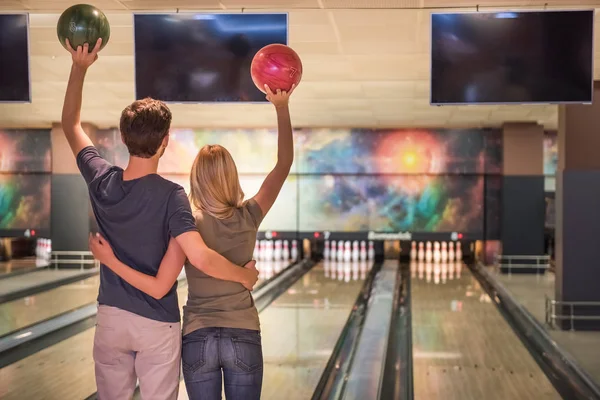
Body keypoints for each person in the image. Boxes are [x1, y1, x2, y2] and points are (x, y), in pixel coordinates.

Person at [61, 39, 259, 400]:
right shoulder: (173, 197)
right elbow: (193, 261)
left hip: (111, 319)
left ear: (122, 137)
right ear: (166, 141)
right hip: (157, 323)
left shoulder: (102, 179)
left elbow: (71, 124)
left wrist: (80, 66)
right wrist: (245, 275)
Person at [89, 83, 295, 400]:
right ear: (233, 176)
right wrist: (281, 107)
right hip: (243, 332)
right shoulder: (250, 215)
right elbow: (283, 165)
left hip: (197, 336)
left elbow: (166, 278)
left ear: (196, 178)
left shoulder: (186, 221)